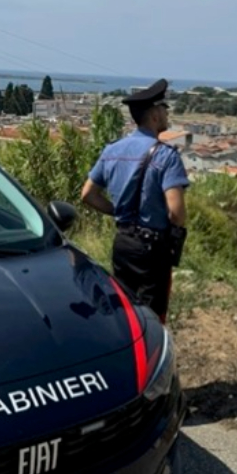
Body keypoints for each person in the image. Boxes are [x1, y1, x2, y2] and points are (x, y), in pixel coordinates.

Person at [80, 78, 190, 324]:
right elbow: (176, 212)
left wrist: (117, 211)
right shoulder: (166, 156)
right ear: (154, 115)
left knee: (125, 308)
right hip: (154, 248)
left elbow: (88, 194)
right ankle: (152, 357)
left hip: (123, 242)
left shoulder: (112, 151)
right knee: (152, 315)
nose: (166, 113)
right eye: (164, 108)